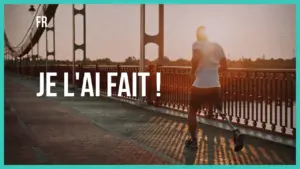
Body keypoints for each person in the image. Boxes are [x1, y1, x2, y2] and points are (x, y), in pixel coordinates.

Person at [185, 26, 228, 148]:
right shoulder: (218, 46)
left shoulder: (196, 44)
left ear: (197, 36)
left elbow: (196, 58)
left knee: (192, 111)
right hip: (215, 85)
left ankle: (193, 141)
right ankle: (235, 130)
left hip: (200, 85)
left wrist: (192, 72)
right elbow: (225, 66)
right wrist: (213, 72)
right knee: (220, 111)